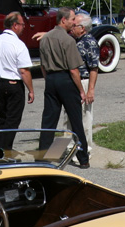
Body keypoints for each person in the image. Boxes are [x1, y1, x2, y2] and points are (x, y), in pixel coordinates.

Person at [38, 8, 89, 169]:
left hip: (51, 79)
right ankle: (83, 158)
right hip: (66, 79)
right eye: (72, 19)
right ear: (63, 20)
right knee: (75, 120)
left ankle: (42, 158)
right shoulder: (68, 41)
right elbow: (74, 70)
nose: (74, 22)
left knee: (48, 120)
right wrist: (81, 89)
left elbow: (42, 65)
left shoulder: (45, 39)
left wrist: (49, 80)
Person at [0, 12, 35, 149]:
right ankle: (4, 149)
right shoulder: (18, 44)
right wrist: (31, 90)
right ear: (15, 25)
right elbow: (24, 70)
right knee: (12, 119)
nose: (23, 27)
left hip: (0, 83)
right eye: (22, 24)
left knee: (3, 116)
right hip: (13, 84)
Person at [67, 13, 99, 155]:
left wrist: (90, 90)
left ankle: (86, 149)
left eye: (75, 25)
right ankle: (70, 148)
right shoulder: (74, 41)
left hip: (84, 82)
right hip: (73, 83)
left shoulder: (90, 43)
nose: (72, 28)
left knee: (85, 118)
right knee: (69, 118)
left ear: (83, 28)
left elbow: (93, 68)